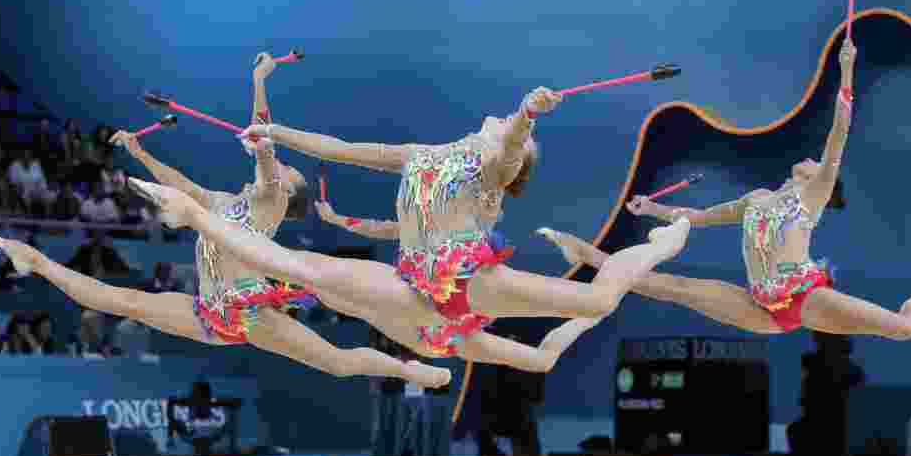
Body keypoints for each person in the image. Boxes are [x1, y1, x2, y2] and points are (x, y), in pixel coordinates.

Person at [124, 68, 688, 373]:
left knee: (597, 303)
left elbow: (513, 146)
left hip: (470, 280)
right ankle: (418, 365)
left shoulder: (494, 165)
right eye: (505, 121)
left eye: (509, 131)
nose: (497, 123)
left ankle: (662, 241)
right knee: (315, 273)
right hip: (416, 289)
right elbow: (344, 148)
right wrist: (277, 134)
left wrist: (526, 115)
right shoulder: (422, 154)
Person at [0, 55, 448, 388]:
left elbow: (265, 145)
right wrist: (140, 152)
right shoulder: (224, 202)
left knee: (337, 363)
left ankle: (406, 370)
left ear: (287, 191)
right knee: (121, 301)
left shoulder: (269, 203)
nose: (280, 170)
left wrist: (260, 82)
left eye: (287, 173)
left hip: (249, 314)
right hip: (207, 311)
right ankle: (36, 261)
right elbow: (183, 186)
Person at [536, 39, 911, 340]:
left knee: (903, 329)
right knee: (674, 289)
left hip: (804, 294)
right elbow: (697, 218)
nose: (810, 160)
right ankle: (586, 254)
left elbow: (838, 132)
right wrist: (650, 210)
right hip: (760, 305)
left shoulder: (813, 194)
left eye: (815, 162)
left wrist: (846, 68)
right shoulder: (757, 199)